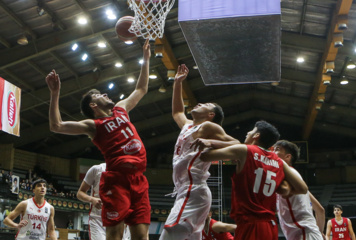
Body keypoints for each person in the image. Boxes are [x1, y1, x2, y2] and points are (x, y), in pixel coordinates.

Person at [46, 39, 151, 240]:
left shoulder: (121, 109)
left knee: (141, 236)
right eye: (101, 95)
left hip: (139, 178)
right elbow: (56, 125)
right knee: (114, 235)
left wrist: (145, 59)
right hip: (116, 180)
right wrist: (55, 93)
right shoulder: (93, 126)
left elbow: (141, 89)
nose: (106, 94)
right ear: (94, 105)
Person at [159, 64, 240, 240]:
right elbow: (177, 112)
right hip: (185, 189)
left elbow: (237, 144)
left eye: (206, 104)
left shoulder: (208, 126)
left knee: (170, 233)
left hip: (193, 188)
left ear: (211, 114)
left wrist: (211, 141)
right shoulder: (188, 126)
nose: (199, 103)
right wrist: (178, 83)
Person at [197, 120, 308, 240]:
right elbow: (303, 188)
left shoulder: (245, 150)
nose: (247, 134)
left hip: (250, 223)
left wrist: (213, 142)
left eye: (250, 132)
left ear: (256, 136)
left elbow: (205, 156)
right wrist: (281, 186)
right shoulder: (278, 160)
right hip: (270, 225)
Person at [274, 140, 325, 240]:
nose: (272, 152)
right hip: (309, 233)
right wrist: (320, 233)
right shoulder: (298, 182)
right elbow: (320, 210)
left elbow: (284, 191)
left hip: (303, 233)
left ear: (287, 157)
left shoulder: (286, 174)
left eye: (277, 149)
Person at [77, 163, 131, 240]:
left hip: (119, 220)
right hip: (98, 220)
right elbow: (80, 193)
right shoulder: (96, 169)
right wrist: (92, 199)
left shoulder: (127, 173)